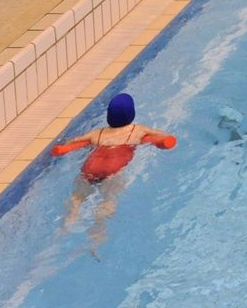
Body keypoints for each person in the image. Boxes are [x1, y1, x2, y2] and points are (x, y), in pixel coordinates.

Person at [50, 93, 175, 253]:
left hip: (90, 168)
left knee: (77, 198)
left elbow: (72, 142)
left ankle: (67, 225)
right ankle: (97, 234)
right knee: (109, 199)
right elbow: (163, 136)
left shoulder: (97, 133)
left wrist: (66, 146)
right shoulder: (137, 129)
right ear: (132, 114)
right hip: (112, 170)